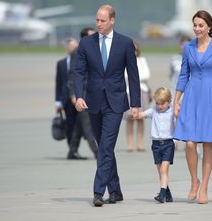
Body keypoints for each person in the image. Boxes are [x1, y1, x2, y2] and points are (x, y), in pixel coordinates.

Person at [73, 5, 141, 207]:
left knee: (105, 147)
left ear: (112, 20)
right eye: (97, 20)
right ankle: (116, 190)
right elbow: (78, 71)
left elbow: (134, 75)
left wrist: (135, 103)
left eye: (103, 20)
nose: (99, 24)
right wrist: (78, 96)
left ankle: (98, 192)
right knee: (104, 148)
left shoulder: (125, 43)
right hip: (92, 102)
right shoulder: (86, 43)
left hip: (115, 102)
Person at [173, 10, 212, 204]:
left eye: (200, 25)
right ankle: (194, 181)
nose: (197, 29)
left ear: (209, 27)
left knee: (208, 143)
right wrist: (176, 100)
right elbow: (183, 75)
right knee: (190, 143)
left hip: (211, 96)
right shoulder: (188, 47)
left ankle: (204, 186)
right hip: (191, 95)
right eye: (195, 25)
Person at [137, 87, 175, 203]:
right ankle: (168, 194)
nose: (160, 106)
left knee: (164, 169)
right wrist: (134, 112)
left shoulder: (172, 112)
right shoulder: (153, 110)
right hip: (156, 144)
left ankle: (162, 195)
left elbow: (181, 123)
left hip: (168, 144)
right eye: (157, 103)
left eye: (162, 103)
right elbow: (141, 115)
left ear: (169, 102)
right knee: (160, 171)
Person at [67, 27, 98, 160]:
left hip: (91, 93)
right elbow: (73, 75)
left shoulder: (93, 50)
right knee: (88, 125)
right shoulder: (77, 52)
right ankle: (98, 152)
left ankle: (72, 151)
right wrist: (74, 95)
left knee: (80, 125)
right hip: (82, 94)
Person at [123, 42, 151, 152]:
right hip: (128, 91)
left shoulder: (141, 60)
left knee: (140, 118)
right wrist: (135, 76)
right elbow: (124, 75)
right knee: (129, 118)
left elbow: (146, 74)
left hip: (142, 90)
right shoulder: (123, 61)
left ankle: (140, 144)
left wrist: (133, 76)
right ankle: (130, 144)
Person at [55, 37, 78, 151]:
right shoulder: (61, 63)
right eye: (73, 47)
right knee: (70, 124)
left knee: (81, 126)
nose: (75, 49)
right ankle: (72, 149)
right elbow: (58, 83)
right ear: (67, 49)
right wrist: (57, 102)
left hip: (79, 99)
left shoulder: (81, 61)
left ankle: (76, 147)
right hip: (66, 99)